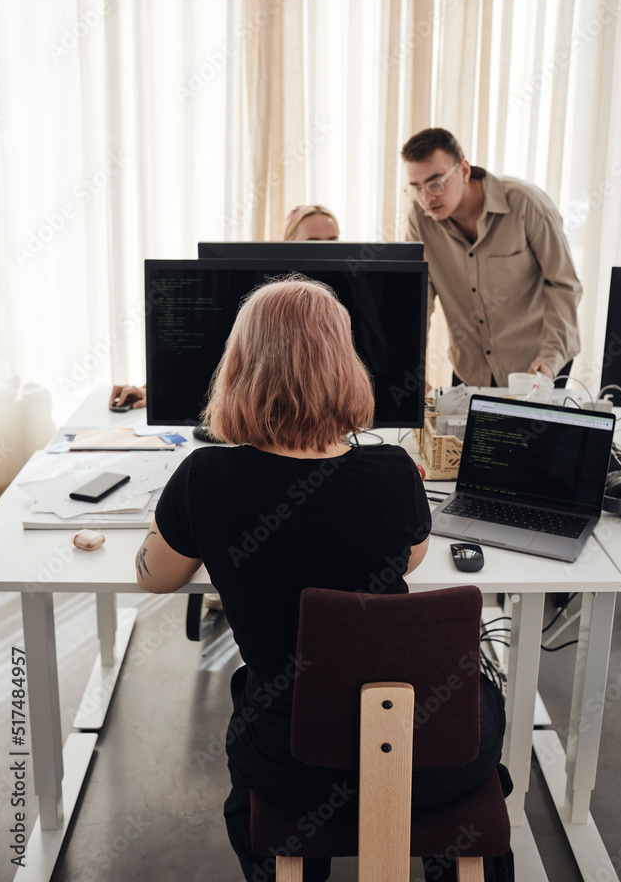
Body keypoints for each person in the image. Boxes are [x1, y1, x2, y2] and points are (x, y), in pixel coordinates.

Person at [133, 277, 513, 882]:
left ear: (238, 368)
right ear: (343, 366)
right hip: (433, 757)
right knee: (483, 691)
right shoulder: (394, 472)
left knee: (253, 705)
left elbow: (155, 578)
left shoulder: (204, 477)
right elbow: (410, 561)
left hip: (294, 762)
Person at [110, 204, 341, 410]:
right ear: (289, 244)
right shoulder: (263, 294)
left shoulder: (346, 294)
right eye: (313, 242)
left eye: (333, 241)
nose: (326, 250)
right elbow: (211, 351)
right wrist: (153, 391)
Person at [402, 128, 582, 388]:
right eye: (416, 188)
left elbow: (563, 285)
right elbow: (418, 301)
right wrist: (410, 367)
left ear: (464, 170)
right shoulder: (419, 221)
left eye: (435, 183)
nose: (426, 198)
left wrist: (550, 357)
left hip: (536, 367)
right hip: (472, 371)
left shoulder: (526, 204)